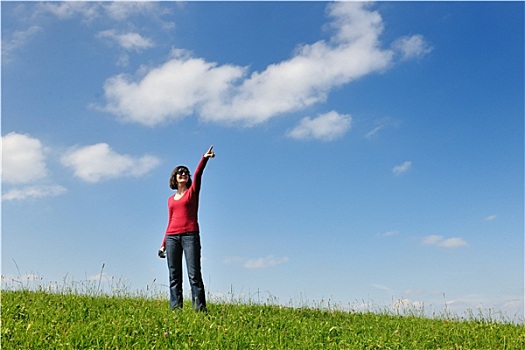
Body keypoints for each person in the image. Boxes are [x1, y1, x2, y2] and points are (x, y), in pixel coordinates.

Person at [158, 145, 215, 311]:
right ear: (174, 177)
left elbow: (198, 174)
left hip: (190, 235)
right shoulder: (170, 199)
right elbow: (170, 221)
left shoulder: (192, 192)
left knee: (194, 274)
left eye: (185, 172)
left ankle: (200, 310)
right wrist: (163, 243)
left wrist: (204, 158)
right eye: (179, 172)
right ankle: (176, 309)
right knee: (174, 276)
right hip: (172, 237)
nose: (183, 174)